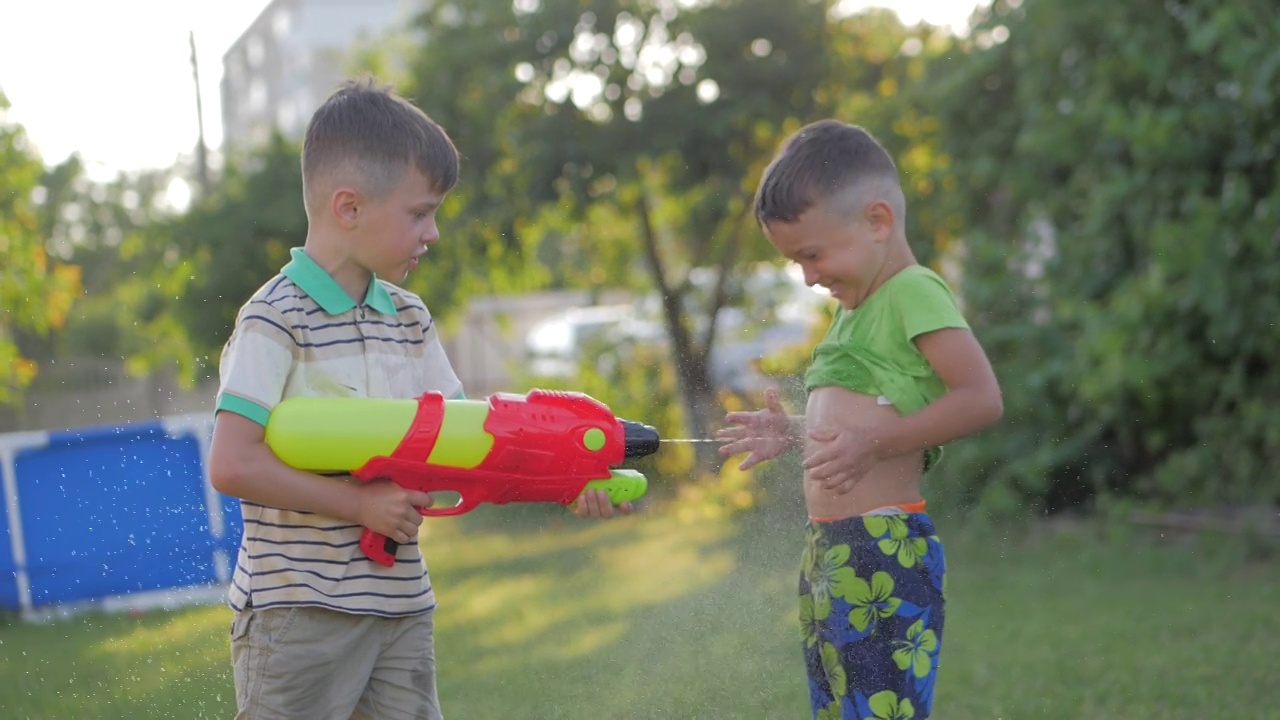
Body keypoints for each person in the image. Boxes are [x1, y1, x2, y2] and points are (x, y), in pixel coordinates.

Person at [207, 77, 630, 720]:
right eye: (418, 213)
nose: (432, 233)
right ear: (349, 208)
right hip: (301, 614)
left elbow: (468, 450)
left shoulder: (409, 318)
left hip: (401, 606)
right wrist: (357, 504)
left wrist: (567, 479)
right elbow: (233, 463)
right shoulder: (274, 319)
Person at [717, 120, 1002, 720]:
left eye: (813, 254)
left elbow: (980, 397)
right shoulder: (856, 310)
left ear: (877, 222)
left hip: (883, 553)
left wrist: (872, 443)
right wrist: (794, 434)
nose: (809, 276)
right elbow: (859, 422)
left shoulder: (912, 291)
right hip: (831, 547)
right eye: (797, 261)